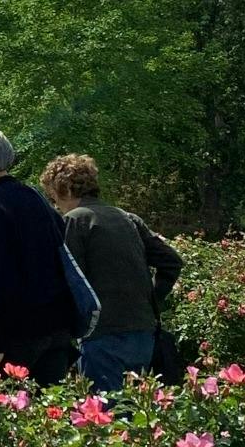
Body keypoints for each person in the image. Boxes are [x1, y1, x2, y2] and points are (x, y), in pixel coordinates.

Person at [38, 153, 183, 395]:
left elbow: (70, 280)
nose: (55, 204)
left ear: (63, 190)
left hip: (103, 335)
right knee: (139, 413)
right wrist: (153, 301)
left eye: (54, 197)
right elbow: (171, 261)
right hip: (144, 333)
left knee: (105, 419)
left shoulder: (75, 221)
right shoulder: (128, 219)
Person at [0, 125, 79, 384]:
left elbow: (2, 280)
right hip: (57, 328)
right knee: (49, 415)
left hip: (20, 334)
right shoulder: (34, 197)